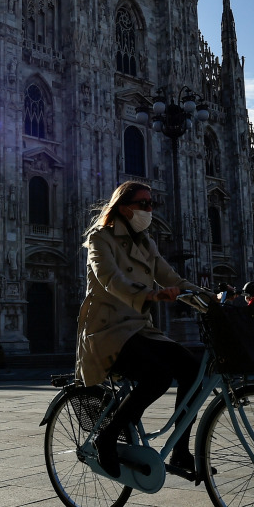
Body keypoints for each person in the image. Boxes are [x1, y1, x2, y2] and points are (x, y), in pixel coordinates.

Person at [75, 181, 202, 479]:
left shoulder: (146, 243)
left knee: (192, 372)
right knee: (157, 376)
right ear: (123, 206)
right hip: (107, 331)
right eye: (143, 203)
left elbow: (172, 278)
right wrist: (149, 295)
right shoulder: (99, 238)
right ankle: (108, 437)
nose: (149, 210)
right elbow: (109, 278)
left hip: (139, 328)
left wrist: (210, 296)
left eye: (151, 204)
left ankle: (181, 449)